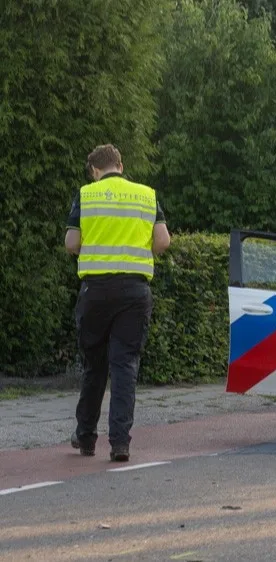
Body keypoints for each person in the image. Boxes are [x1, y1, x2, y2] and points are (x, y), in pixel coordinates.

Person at [64, 144, 171, 462]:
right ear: (120, 166)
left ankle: (85, 438)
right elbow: (163, 241)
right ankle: (120, 443)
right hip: (134, 291)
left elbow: (72, 244)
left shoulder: (87, 194)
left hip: (95, 290)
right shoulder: (146, 195)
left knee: (94, 365)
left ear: (95, 171)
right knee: (125, 365)